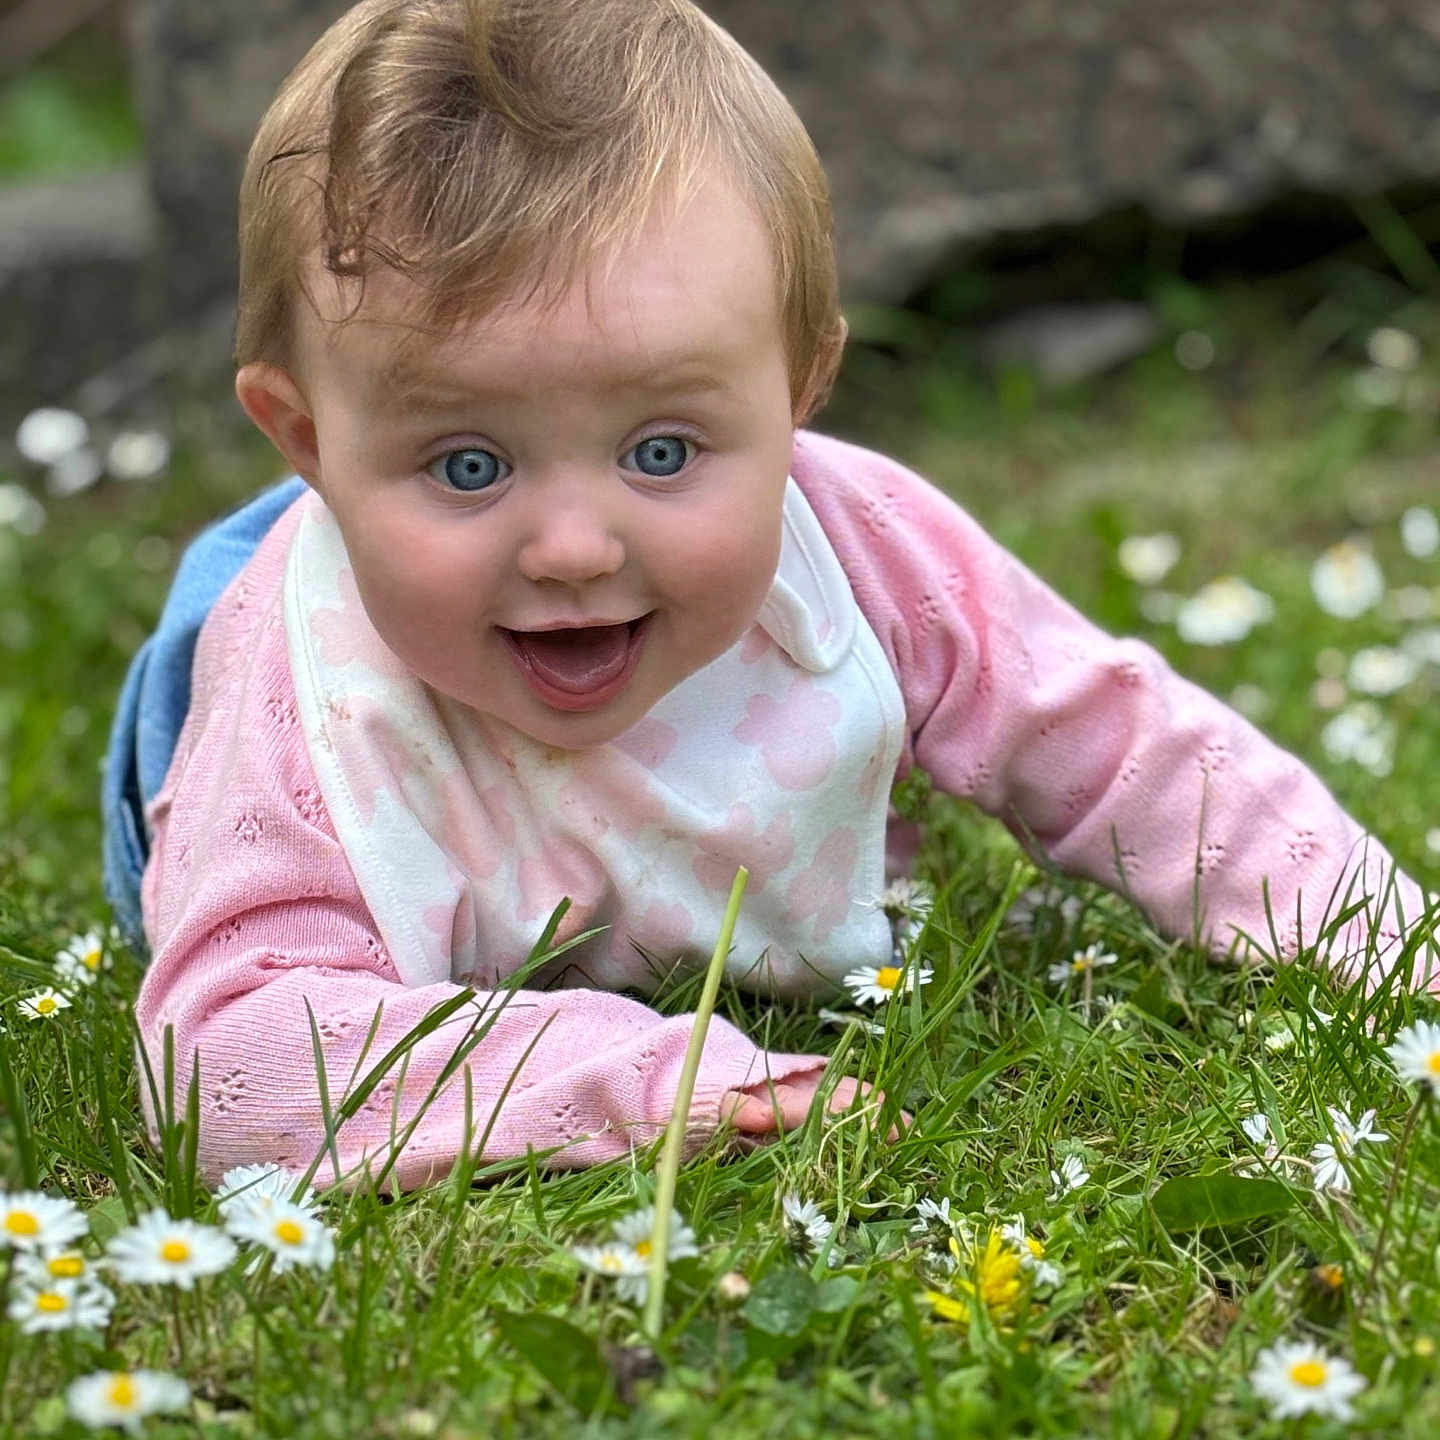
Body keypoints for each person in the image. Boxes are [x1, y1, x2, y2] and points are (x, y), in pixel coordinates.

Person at [104, 0, 1433, 1191]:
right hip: (277, 727)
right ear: (307, 444)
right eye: (470, 461)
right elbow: (225, 1059)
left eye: (662, 452)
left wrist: (1381, 943)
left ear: (800, 390)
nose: (573, 547)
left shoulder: (860, 547)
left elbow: (1113, 735)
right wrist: (633, 1075)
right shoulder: (297, 701)